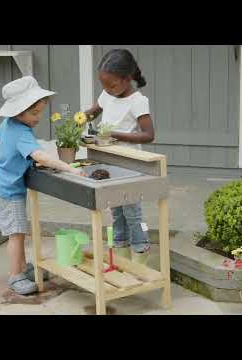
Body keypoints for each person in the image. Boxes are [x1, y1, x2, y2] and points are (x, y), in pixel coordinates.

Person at [0, 76, 86, 295]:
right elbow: (40, 156)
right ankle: (16, 276)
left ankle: (22, 268)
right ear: (18, 112)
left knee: (19, 232)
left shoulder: (8, 123)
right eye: (34, 113)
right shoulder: (22, 133)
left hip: (1, 185)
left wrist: (3, 157)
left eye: (40, 112)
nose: (38, 118)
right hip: (7, 191)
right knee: (16, 234)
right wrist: (69, 168)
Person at [84, 49, 155, 264]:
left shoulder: (137, 101)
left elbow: (149, 135)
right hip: (110, 162)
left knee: (132, 212)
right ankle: (121, 252)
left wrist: (113, 134)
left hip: (131, 165)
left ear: (127, 79)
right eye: (103, 85)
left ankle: (141, 251)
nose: (107, 90)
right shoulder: (108, 94)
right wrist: (79, 118)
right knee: (116, 210)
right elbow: (92, 112)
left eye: (112, 85)